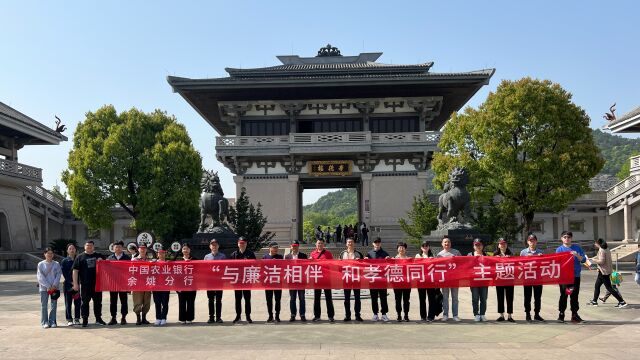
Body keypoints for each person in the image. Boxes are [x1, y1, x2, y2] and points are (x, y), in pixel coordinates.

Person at [73, 240, 106, 327]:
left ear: (93, 247)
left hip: (98, 284)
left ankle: (98, 319)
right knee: (85, 302)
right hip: (85, 284)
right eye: (87, 246)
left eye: (91, 246)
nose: (89, 247)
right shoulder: (80, 257)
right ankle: (85, 319)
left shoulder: (99, 255)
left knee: (98, 302)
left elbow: (107, 266)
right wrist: (75, 284)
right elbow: (75, 271)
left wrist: (102, 261)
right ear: (84, 247)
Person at [555, 231, 587, 323]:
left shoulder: (577, 248)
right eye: (564, 237)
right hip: (564, 277)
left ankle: (574, 315)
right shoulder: (559, 250)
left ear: (571, 238)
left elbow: (584, 260)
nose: (567, 238)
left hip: (575, 276)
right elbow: (556, 263)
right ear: (561, 239)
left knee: (574, 295)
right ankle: (561, 314)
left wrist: (576, 255)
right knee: (564, 295)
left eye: (568, 237)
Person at [589, 238, 627, 308]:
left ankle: (622, 301)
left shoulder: (602, 250)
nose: (594, 244)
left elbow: (602, 261)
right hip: (604, 271)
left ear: (598, 243)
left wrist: (593, 260)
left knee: (609, 288)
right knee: (597, 286)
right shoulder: (607, 249)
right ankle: (594, 301)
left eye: (595, 243)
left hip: (604, 272)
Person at [230, 237, 256, 323]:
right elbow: (229, 267)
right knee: (238, 299)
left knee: (247, 299)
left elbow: (255, 265)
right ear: (238, 244)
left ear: (246, 244)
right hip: (237, 280)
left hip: (247, 280)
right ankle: (238, 316)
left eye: (243, 243)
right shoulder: (234, 254)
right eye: (240, 243)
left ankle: (248, 316)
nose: (242, 244)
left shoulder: (250, 254)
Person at [520, 234, 545, 322]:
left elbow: (544, 265)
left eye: (534, 240)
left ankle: (537, 314)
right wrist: (527, 259)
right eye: (530, 240)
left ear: (536, 241)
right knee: (527, 297)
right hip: (527, 278)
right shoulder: (523, 252)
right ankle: (527, 314)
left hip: (538, 278)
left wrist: (541, 258)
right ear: (527, 242)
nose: (532, 242)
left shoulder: (540, 252)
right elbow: (520, 265)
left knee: (537, 297)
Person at [310, 238, 335, 322]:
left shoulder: (328, 253)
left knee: (328, 297)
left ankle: (330, 316)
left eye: (321, 243)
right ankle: (317, 316)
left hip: (326, 278)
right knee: (316, 297)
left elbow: (332, 264)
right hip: (317, 278)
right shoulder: (313, 254)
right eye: (318, 243)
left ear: (324, 245)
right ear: (316, 245)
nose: (319, 245)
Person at [366, 237, 390, 322]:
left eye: (378, 242)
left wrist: (388, 260)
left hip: (382, 279)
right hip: (372, 279)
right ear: (373, 243)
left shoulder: (385, 253)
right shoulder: (369, 254)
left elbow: (389, 266)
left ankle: (384, 314)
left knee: (383, 297)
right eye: (375, 242)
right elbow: (364, 266)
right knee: (374, 298)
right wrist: (364, 261)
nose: (377, 243)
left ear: (380, 243)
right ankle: (375, 314)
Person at [437, 236, 461, 322]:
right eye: (445, 242)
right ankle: (445, 314)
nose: (447, 244)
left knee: (455, 297)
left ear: (451, 243)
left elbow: (461, 264)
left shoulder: (456, 252)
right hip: (445, 280)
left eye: (448, 242)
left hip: (454, 279)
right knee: (445, 298)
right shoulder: (439, 255)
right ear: (442, 244)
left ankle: (455, 315)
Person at [106, 241, 130, 325]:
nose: (118, 248)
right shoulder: (109, 258)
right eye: (116, 247)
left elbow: (130, 270)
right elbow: (106, 270)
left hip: (123, 283)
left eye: (119, 247)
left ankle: (123, 317)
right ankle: (113, 318)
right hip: (113, 283)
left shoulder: (127, 257)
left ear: (122, 248)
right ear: (113, 248)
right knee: (113, 301)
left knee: (124, 301)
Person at [340, 238, 364, 322]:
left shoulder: (358, 253)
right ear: (346, 244)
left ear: (354, 243)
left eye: (351, 242)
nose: (350, 243)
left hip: (356, 278)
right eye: (348, 242)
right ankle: (347, 315)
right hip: (346, 278)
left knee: (357, 298)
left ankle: (357, 315)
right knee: (346, 298)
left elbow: (364, 266)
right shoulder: (342, 253)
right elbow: (339, 266)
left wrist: (360, 262)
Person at [37, 247, 62, 328]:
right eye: (48, 253)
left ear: (53, 254)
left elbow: (58, 275)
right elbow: (40, 277)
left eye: (51, 253)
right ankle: (45, 322)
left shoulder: (56, 264)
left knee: (53, 305)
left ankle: (52, 321)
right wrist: (48, 286)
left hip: (54, 288)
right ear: (44, 254)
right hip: (44, 288)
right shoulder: (40, 264)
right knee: (44, 305)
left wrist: (54, 285)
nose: (50, 255)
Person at [204, 239, 226, 323]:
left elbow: (225, 268)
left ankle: (218, 317)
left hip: (219, 281)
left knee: (219, 300)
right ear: (210, 246)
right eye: (212, 245)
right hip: (209, 282)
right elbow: (204, 269)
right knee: (210, 300)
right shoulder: (206, 257)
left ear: (218, 246)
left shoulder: (222, 256)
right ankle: (211, 317)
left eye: (215, 245)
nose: (214, 246)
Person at [415, 241, 438, 322]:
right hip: (421, 280)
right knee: (422, 299)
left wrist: (432, 260)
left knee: (431, 299)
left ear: (429, 247)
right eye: (423, 246)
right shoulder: (418, 255)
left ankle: (431, 316)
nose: (425, 247)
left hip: (430, 280)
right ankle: (423, 316)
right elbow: (416, 265)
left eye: (426, 245)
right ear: (421, 247)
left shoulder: (433, 255)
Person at [285, 240, 307, 322]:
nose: (294, 247)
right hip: (292, 281)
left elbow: (306, 267)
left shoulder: (303, 256)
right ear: (291, 246)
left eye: (296, 246)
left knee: (302, 298)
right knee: (292, 299)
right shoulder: (287, 257)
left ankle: (302, 315)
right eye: (293, 246)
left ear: (298, 246)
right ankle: (293, 315)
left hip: (301, 280)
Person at [495, 238, 515, 322]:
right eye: (501, 244)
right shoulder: (495, 254)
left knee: (510, 297)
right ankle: (501, 315)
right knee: (500, 297)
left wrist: (510, 258)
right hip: (499, 279)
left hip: (509, 278)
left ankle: (510, 315)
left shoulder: (511, 254)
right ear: (498, 245)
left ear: (506, 245)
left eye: (504, 243)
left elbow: (516, 264)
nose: (502, 245)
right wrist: (495, 258)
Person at [262, 241, 284, 322]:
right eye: (274, 247)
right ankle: (270, 315)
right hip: (268, 282)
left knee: (278, 299)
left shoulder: (280, 257)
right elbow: (262, 269)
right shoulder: (265, 257)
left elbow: (283, 268)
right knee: (269, 300)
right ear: (270, 248)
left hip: (278, 282)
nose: (276, 249)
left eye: (277, 247)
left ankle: (277, 315)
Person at [60, 243, 80, 326]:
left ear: (75, 250)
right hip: (68, 285)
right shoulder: (64, 261)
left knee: (78, 302)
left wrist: (77, 283)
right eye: (70, 249)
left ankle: (77, 319)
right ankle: (69, 319)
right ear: (67, 251)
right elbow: (64, 273)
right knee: (68, 302)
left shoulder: (79, 259)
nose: (72, 250)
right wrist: (72, 282)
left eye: (73, 248)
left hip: (78, 285)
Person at [176, 243, 197, 324]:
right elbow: (174, 273)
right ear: (182, 250)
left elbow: (198, 271)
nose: (186, 250)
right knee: (182, 302)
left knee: (191, 302)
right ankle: (182, 318)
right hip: (181, 285)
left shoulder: (195, 259)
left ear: (190, 250)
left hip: (191, 284)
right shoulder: (178, 259)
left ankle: (190, 318)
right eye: (184, 249)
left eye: (187, 249)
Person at [131, 244, 152, 325]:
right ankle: (138, 318)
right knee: (137, 301)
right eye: (141, 248)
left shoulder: (149, 260)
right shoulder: (134, 260)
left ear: (146, 250)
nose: (143, 250)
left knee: (146, 301)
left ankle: (144, 317)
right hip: (137, 284)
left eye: (144, 248)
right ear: (138, 249)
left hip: (147, 283)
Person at [468, 239, 488, 322]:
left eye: (479, 245)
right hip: (474, 280)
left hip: (484, 280)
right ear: (473, 246)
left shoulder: (486, 255)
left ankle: (482, 314)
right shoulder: (470, 255)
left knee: (483, 298)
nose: (478, 246)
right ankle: (476, 314)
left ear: (482, 246)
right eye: (476, 245)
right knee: (475, 298)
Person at [393, 242, 411, 322]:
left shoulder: (409, 259)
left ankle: (406, 315)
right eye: (400, 247)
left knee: (406, 300)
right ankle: (399, 315)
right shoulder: (393, 259)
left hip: (407, 282)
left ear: (405, 249)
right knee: (398, 299)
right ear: (397, 249)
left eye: (403, 247)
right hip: (397, 282)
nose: (401, 249)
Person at [152, 249, 170, 326]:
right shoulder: (154, 263)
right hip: (156, 286)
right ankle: (158, 318)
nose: (161, 254)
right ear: (157, 254)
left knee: (165, 303)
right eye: (160, 253)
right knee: (157, 302)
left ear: (165, 254)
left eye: (163, 253)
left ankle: (164, 318)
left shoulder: (168, 263)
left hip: (166, 286)